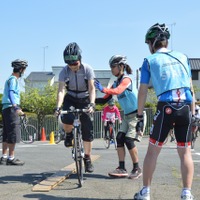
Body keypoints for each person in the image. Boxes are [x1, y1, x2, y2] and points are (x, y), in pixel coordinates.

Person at [133, 23, 195, 200]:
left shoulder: (149, 61)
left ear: (152, 43)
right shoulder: (183, 57)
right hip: (185, 107)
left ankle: (145, 192)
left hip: (166, 106)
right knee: (185, 152)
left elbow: (143, 90)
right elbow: (190, 88)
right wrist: (194, 113)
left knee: (153, 151)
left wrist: (139, 116)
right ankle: (186, 193)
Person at [95, 55, 146, 179]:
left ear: (121, 66)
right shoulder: (116, 83)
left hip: (136, 115)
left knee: (129, 140)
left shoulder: (126, 79)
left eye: (113, 67)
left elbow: (118, 91)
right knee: (119, 138)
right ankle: (122, 168)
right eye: (111, 67)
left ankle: (137, 168)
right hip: (127, 116)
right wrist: (89, 100)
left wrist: (103, 88)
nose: (112, 69)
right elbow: (103, 101)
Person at [55, 42, 96, 173]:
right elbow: (61, 90)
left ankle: (87, 158)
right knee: (66, 117)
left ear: (80, 59)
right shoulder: (63, 71)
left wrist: (92, 104)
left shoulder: (87, 69)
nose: (72, 66)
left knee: (87, 130)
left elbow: (91, 88)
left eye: (75, 63)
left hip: (84, 98)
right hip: (71, 97)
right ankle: (68, 134)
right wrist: (58, 107)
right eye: (69, 64)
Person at [0, 59, 28, 166]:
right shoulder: (13, 80)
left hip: (6, 108)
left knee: (6, 133)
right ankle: (11, 158)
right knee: (13, 133)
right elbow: (11, 93)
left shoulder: (9, 79)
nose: (24, 72)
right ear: (20, 69)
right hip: (12, 108)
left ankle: (4, 157)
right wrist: (16, 107)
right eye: (24, 70)